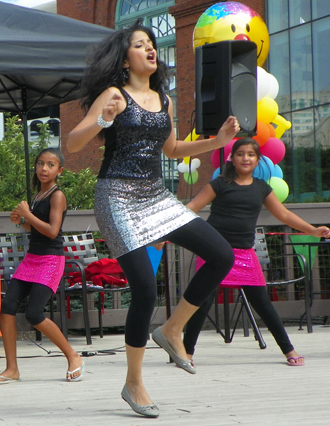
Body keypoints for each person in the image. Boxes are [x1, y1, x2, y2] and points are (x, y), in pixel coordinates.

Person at [66, 20, 240, 418]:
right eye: (140, 44)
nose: (150, 49)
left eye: (151, 44)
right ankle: (134, 382)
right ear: (124, 58)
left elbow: (174, 148)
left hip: (155, 195)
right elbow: (73, 144)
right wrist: (102, 119)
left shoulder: (163, 97)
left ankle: (173, 330)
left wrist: (218, 141)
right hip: (117, 197)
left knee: (221, 255)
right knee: (145, 288)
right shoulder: (114, 94)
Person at [183, 138, 330, 367]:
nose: (245, 158)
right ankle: (186, 353)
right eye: (240, 154)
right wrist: (166, 231)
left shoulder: (262, 188)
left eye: (250, 155)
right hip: (214, 252)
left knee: (263, 303)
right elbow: (192, 206)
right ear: (232, 158)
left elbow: (284, 215)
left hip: (244, 254)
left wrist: (312, 229)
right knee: (202, 301)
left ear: (257, 159)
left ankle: (288, 349)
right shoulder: (220, 183)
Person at [0, 148, 84, 385]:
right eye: (40, 163)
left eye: (50, 165)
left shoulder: (57, 195)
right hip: (32, 258)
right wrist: (22, 221)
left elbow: (53, 231)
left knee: (34, 313)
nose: (44, 168)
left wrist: (27, 216)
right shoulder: (38, 195)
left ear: (59, 170)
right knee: (8, 306)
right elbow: (37, 229)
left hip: (50, 261)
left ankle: (73, 357)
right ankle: (12, 369)